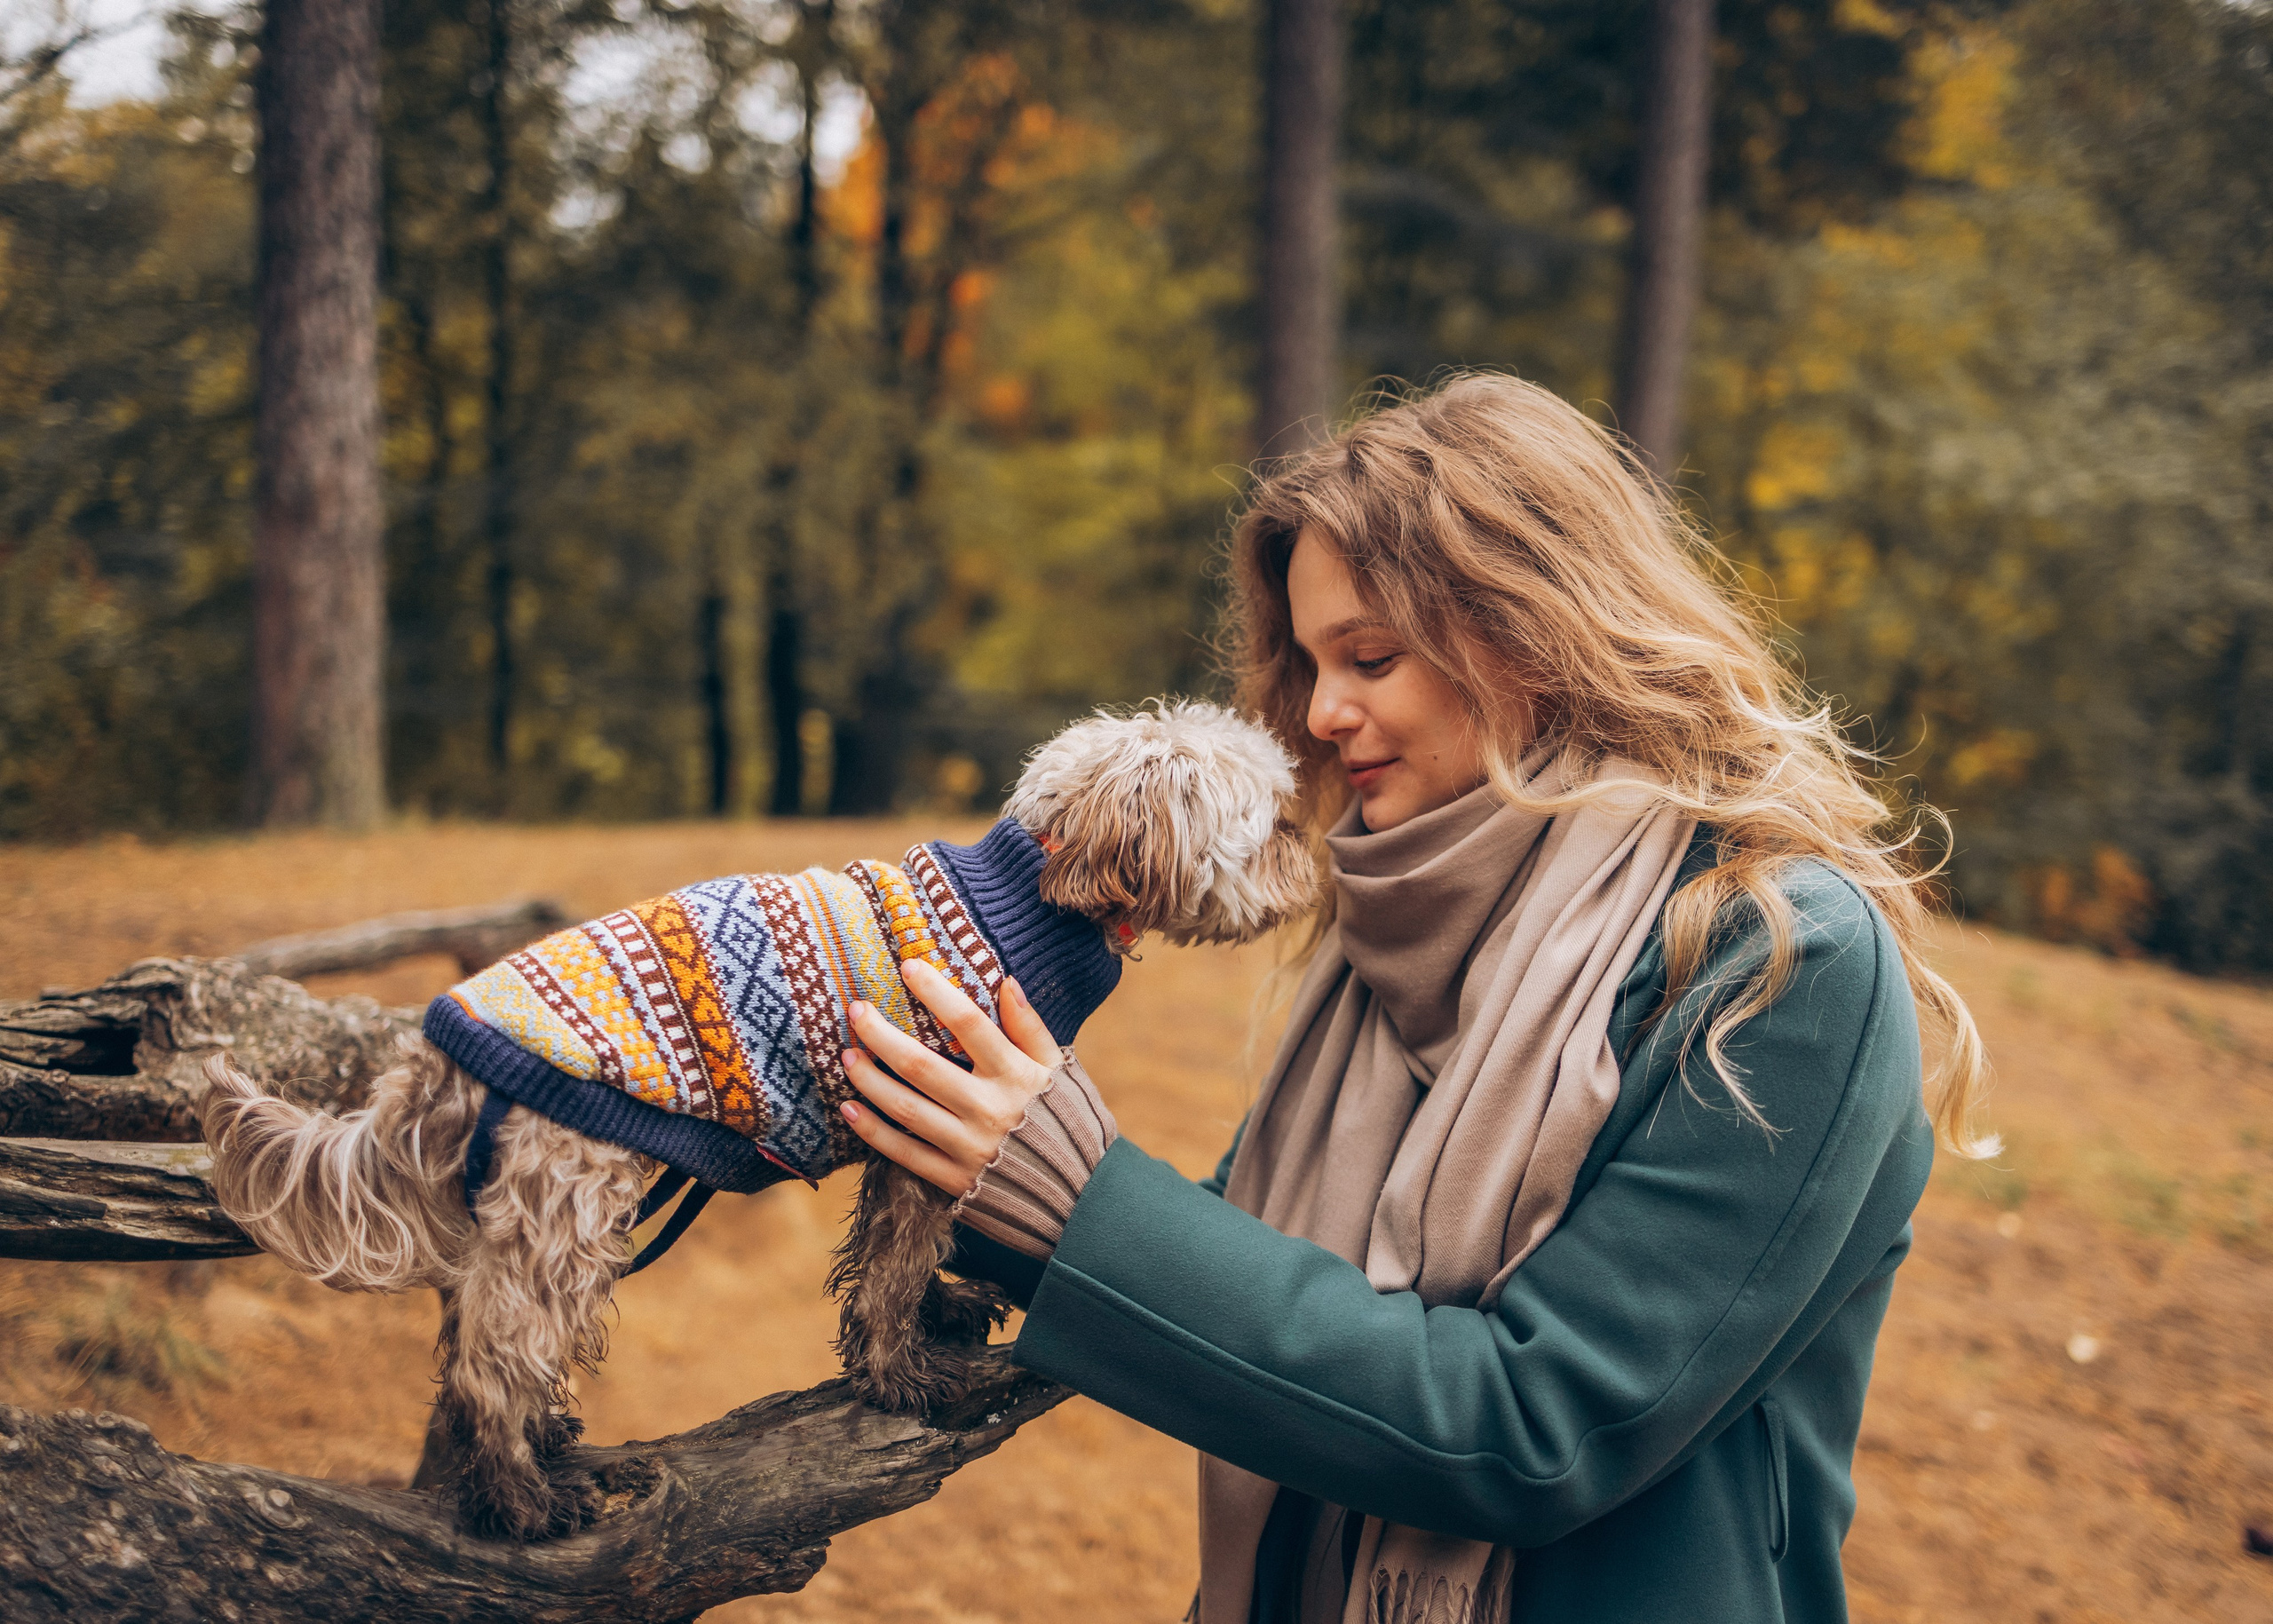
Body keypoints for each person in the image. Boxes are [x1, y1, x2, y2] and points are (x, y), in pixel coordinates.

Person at [833, 373, 1993, 1624]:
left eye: (1370, 657)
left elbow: (1536, 1427)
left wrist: (1079, 1198)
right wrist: (958, 1147)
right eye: (1313, 661)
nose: (1323, 714)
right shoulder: (1397, 921)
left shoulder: (1783, 959)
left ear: (1534, 628)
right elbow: (1253, 1269)